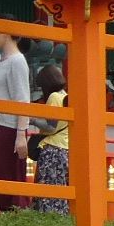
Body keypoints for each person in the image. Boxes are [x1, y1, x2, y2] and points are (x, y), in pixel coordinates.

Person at [0, 31, 32, 211]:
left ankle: (13, 214)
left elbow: (22, 99)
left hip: (10, 127)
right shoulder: (1, 63)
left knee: (8, 177)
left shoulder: (17, 61)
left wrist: (20, 134)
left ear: (6, 33)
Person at [31, 63, 71, 213]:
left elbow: (51, 126)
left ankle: (48, 215)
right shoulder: (64, 96)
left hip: (52, 150)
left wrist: (32, 120)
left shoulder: (54, 97)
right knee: (60, 189)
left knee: (49, 188)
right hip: (65, 148)